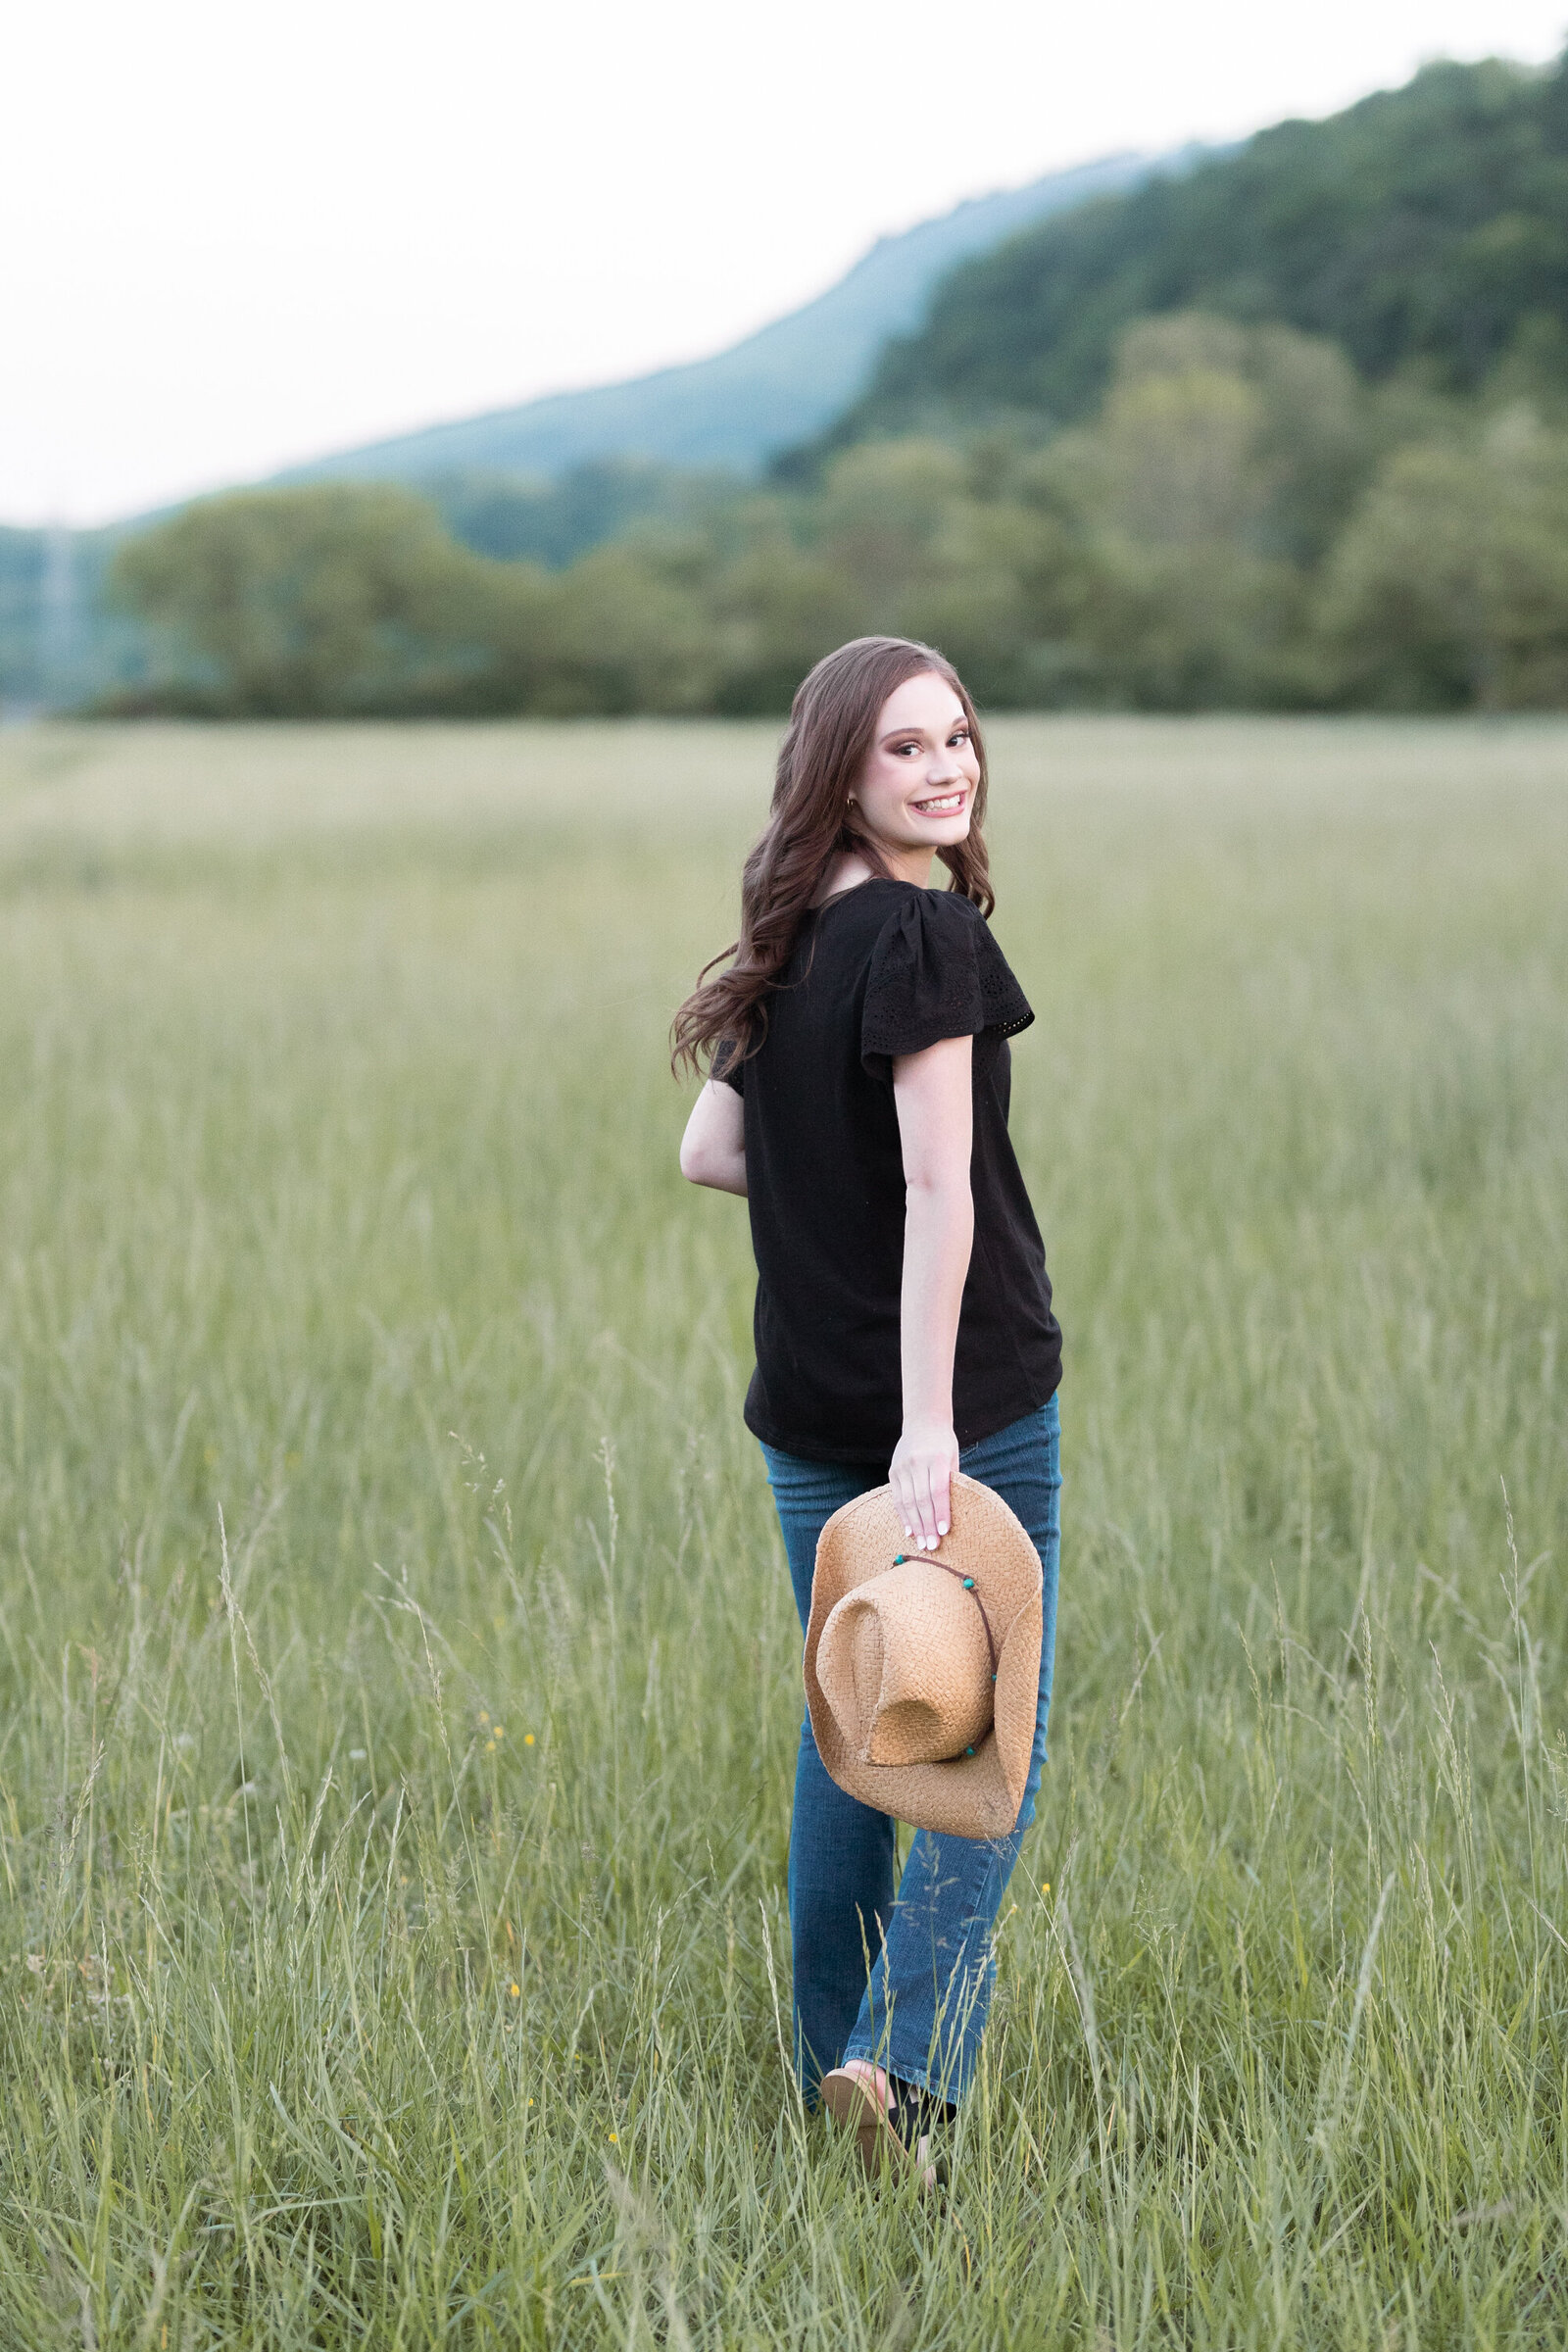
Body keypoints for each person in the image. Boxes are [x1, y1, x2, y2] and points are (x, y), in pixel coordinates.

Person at [674, 636, 1062, 2183]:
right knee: (988, 1739)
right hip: (954, 1408)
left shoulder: (791, 933)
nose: (946, 766)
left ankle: (825, 2059)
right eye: (906, 747)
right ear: (845, 767)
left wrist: (816, 1175)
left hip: (801, 1401)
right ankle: (902, 2070)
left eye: (959, 735)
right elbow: (936, 1182)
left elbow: (708, 1152)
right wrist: (927, 1426)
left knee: (851, 1725)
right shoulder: (919, 935)